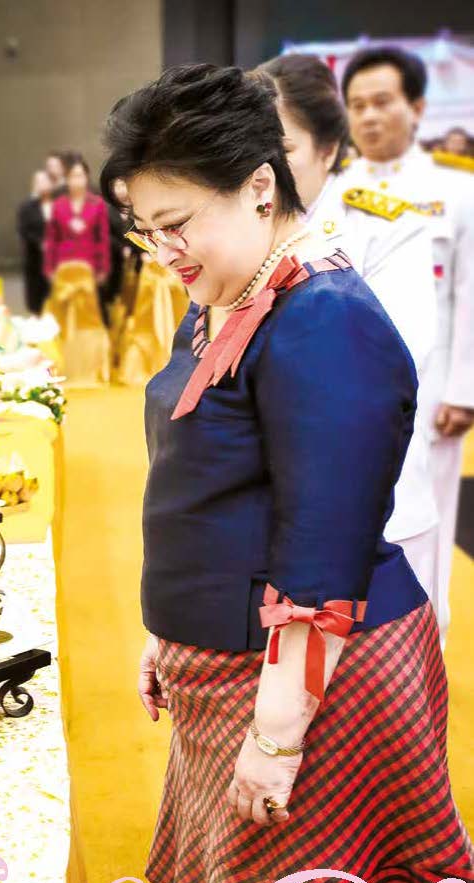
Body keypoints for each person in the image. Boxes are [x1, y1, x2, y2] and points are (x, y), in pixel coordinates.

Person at [101, 63, 474, 883]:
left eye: (177, 224)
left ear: (261, 187)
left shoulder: (323, 316)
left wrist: (276, 737)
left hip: (317, 688)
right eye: (147, 232)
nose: (165, 252)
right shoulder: (231, 289)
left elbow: (322, 553)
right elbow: (205, 482)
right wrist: (168, 631)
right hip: (231, 661)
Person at [260, 54, 441, 615]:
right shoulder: (241, 226)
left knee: (392, 652)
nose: (265, 168)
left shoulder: (384, 227)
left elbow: (394, 360)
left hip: (376, 493)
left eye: (283, 149)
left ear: (328, 148)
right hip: (269, 500)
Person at [341, 46, 474, 645]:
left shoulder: (455, 192)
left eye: (382, 102)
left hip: (430, 388)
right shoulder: (334, 192)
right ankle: (366, 647)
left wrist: (463, 390)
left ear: (416, 108)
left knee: (427, 520)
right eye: (357, 105)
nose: (369, 116)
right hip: (349, 388)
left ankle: (427, 643)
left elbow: (468, 294)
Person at [44, 155, 110, 295]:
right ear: (67, 179)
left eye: (80, 176)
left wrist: (103, 268)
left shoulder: (97, 204)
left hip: (89, 265)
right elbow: (51, 238)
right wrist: (49, 268)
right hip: (63, 265)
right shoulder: (58, 205)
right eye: (73, 176)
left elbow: (103, 238)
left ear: (86, 177)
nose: (77, 180)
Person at [16, 169, 53, 314]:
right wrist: (40, 243)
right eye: (39, 181)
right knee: (37, 301)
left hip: (55, 260)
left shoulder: (58, 204)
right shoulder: (26, 207)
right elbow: (23, 231)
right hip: (35, 259)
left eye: (45, 181)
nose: (43, 184)